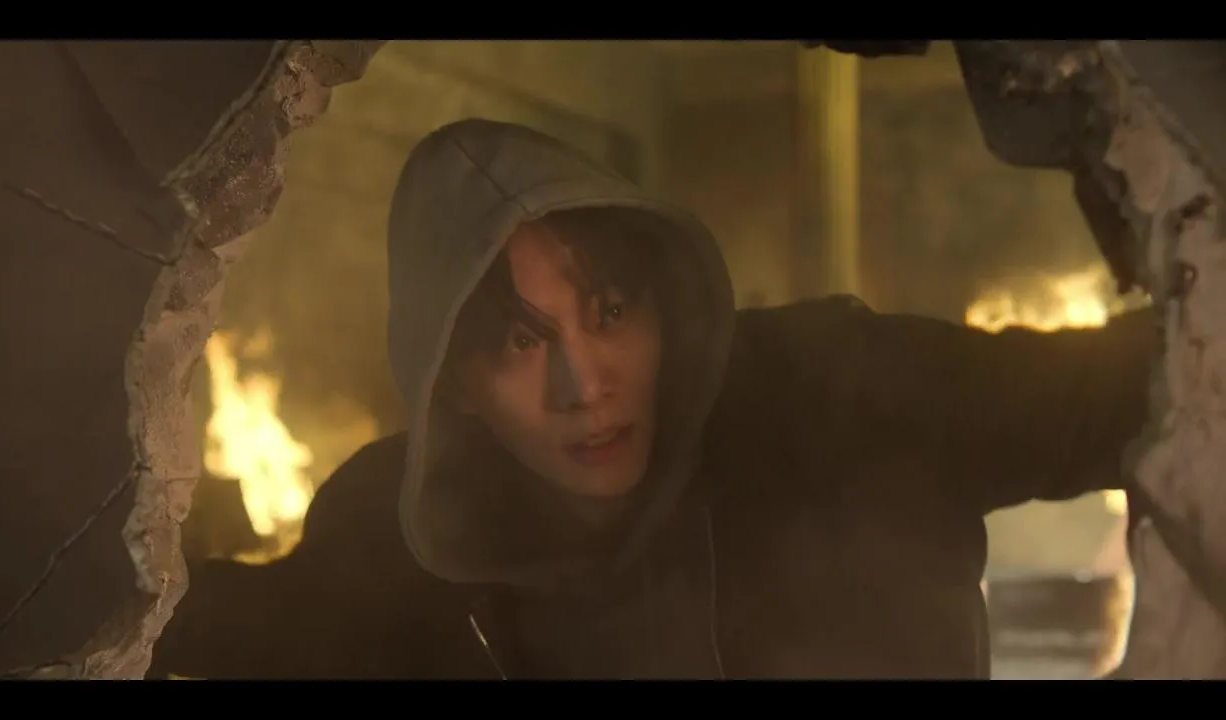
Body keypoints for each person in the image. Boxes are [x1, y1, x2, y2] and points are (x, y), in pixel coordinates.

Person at [148, 118, 1156, 679]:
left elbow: (1129, 394)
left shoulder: (840, 395)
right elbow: (210, 626)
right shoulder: (400, 532)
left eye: (611, 311)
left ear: (667, 305)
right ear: (452, 382)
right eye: (520, 341)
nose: (584, 384)